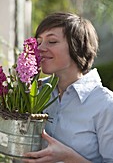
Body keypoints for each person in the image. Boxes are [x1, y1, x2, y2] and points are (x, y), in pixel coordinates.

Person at [23, 12, 113, 163]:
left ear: (76, 46)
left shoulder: (105, 104)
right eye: (39, 42)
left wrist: (68, 157)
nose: (40, 48)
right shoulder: (34, 93)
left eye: (52, 41)